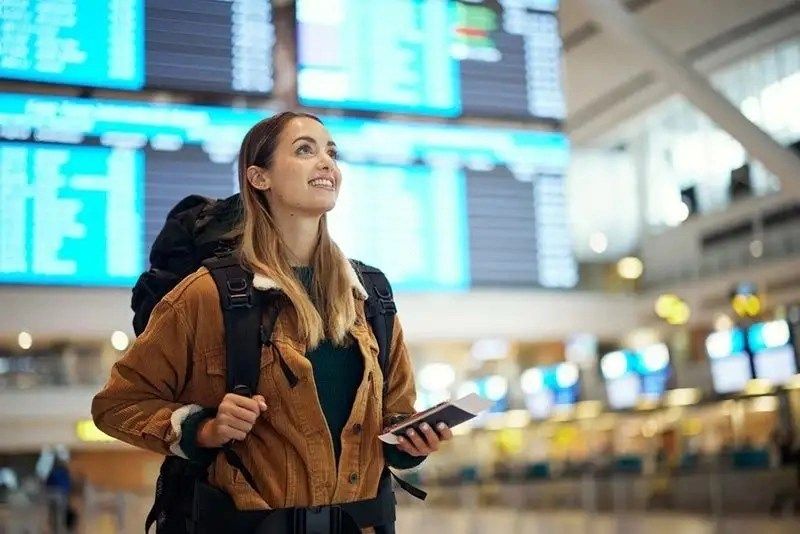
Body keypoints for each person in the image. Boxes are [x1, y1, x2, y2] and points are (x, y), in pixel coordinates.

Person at [91, 111, 453, 533]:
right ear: (258, 178)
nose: (326, 163)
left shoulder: (369, 296)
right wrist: (203, 429)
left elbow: (393, 417)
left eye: (330, 153)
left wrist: (410, 445)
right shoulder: (206, 295)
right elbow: (117, 405)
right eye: (305, 150)